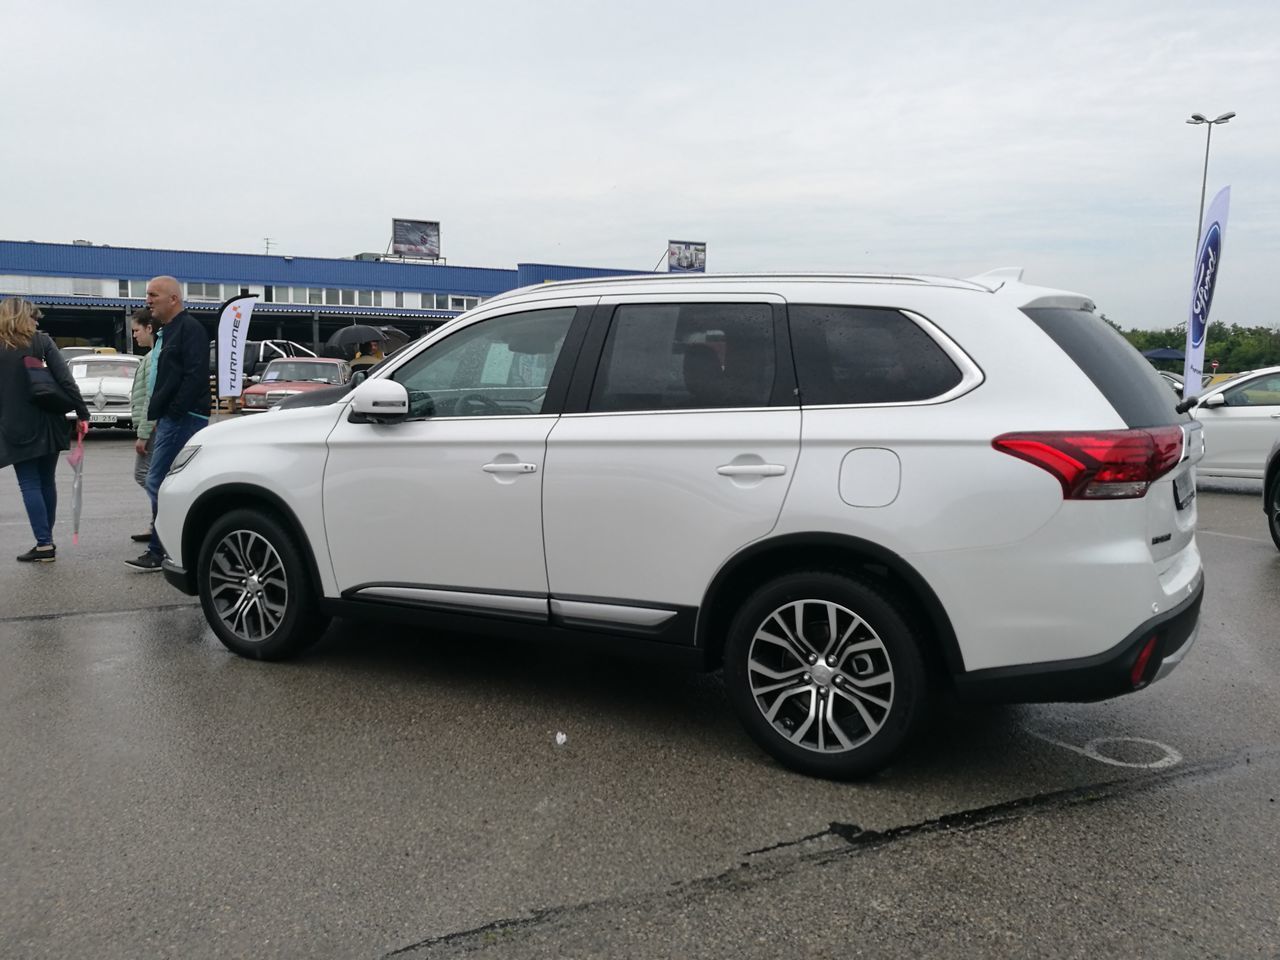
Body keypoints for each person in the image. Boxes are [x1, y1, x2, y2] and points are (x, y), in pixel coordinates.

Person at [126, 277, 210, 571]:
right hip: (171, 417)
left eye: (153, 295)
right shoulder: (168, 331)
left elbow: (195, 375)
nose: (147, 300)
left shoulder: (190, 330)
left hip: (184, 417)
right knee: (167, 482)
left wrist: (173, 411)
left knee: (157, 481)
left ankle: (162, 548)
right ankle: (169, 543)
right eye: (147, 294)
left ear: (173, 298)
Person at [0, 298, 90, 562]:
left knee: (29, 483)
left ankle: (44, 543)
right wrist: (82, 412)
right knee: (46, 481)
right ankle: (45, 541)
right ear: (20, 317)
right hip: (50, 421)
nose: (36, 322)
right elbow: (65, 378)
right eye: (33, 317)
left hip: (15, 424)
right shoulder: (41, 342)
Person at [128, 308, 157, 543]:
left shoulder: (153, 359)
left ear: (149, 328)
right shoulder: (149, 357)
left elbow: (150, 396)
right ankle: (156, 522)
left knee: (144, 474)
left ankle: (162, 519)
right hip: (151, 427)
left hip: (152, 429)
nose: (134, 335)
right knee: (152, 476)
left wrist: (144, 432)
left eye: (136, 330)